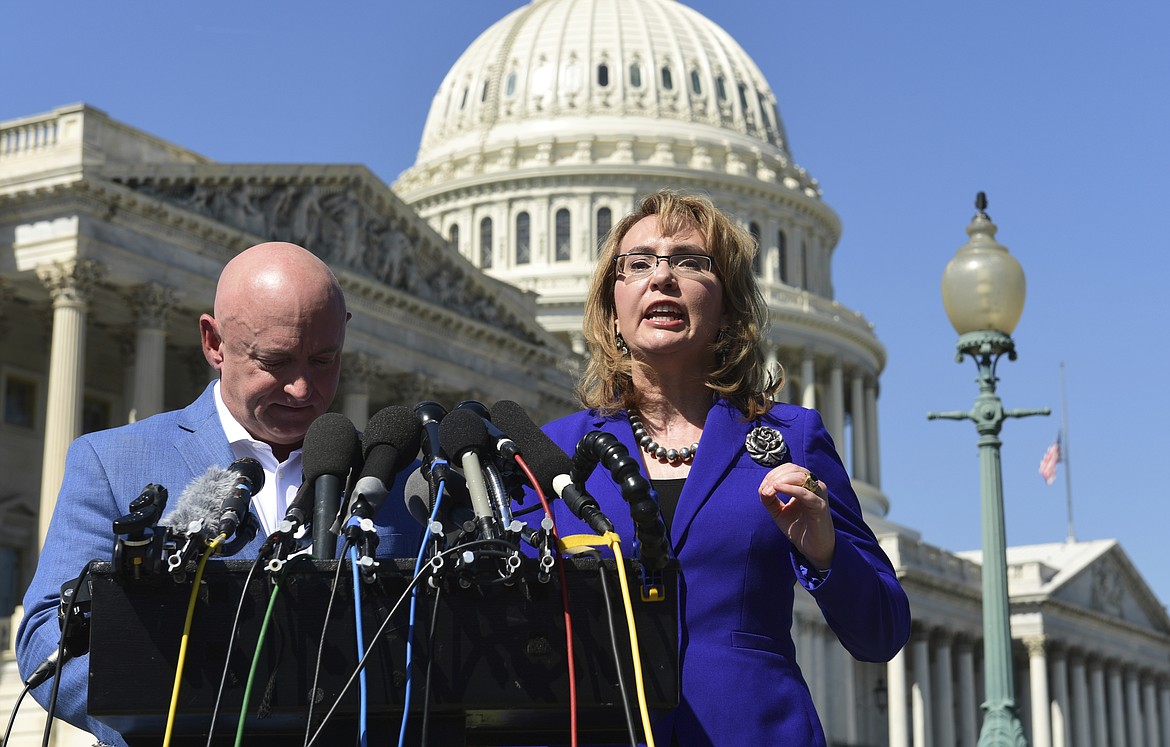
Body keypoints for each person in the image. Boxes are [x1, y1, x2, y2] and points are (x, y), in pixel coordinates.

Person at [537, 191, 911, 745]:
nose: (661, 278)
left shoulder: (790, 440)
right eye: (638, 264)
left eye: (689, 261)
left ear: (728, 307)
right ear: (611, 306)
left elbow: (881, 632)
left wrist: (825, 551)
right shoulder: (553, 453)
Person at [15, 242, 418, 746]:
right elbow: (47, 640)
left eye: (323, 359)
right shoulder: (112, 461)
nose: (301, 387)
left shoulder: (399, 478)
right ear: (213, 343)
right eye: (275, 360)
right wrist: (187, 718)